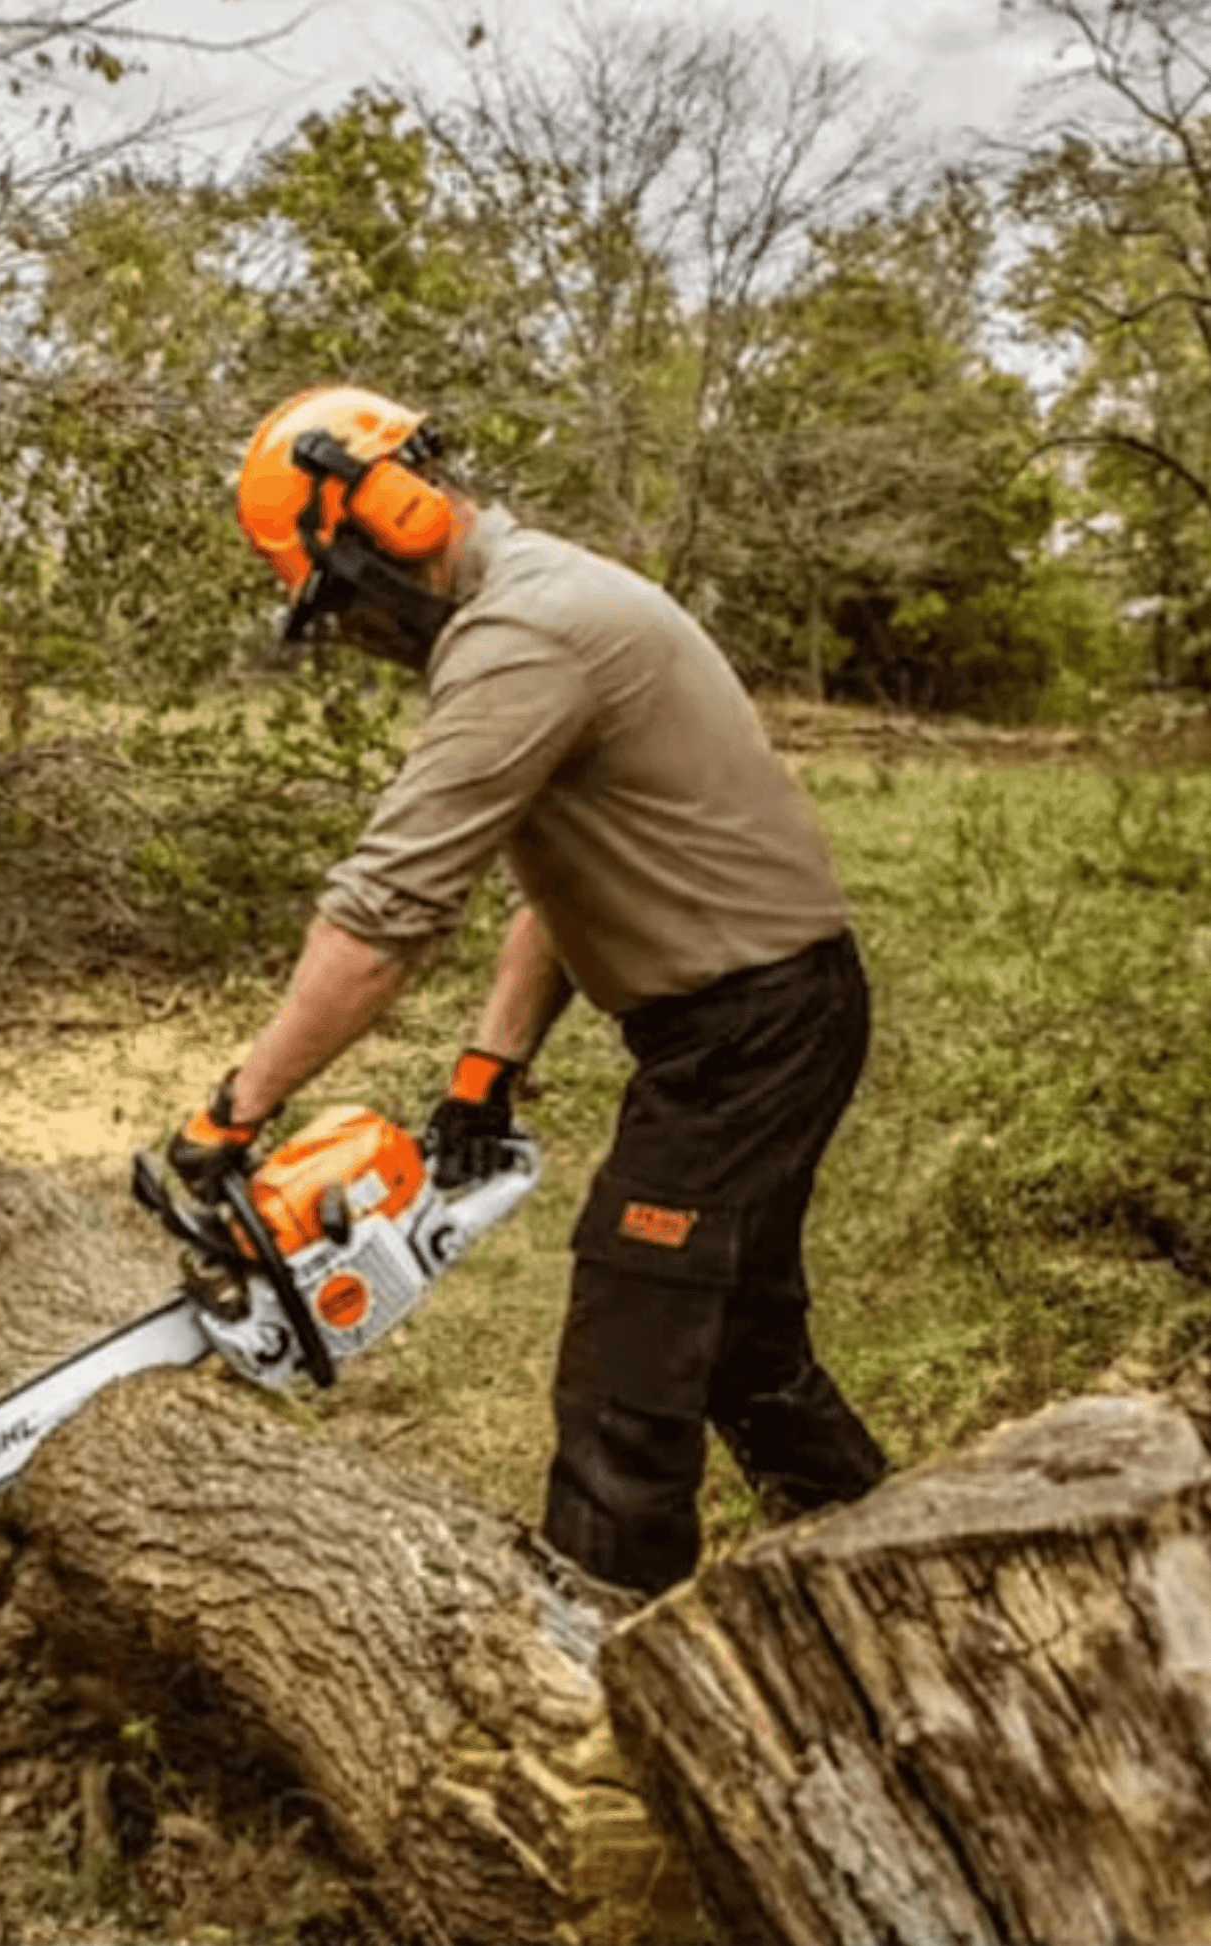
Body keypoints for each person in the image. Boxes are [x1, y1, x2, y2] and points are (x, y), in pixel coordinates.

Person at [166, 383, 888, 1599]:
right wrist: (483, 1071)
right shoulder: (531, 603)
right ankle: (896, 1564)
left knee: (628, 1353)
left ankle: (600, 1665)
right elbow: (557, 876)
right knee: (740, 1342)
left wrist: (233, 1110)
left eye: (337, 597)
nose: (348, 628)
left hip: (749, 1031)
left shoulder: (523, 634)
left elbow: (382, 916)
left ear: (384, 515)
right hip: (762, 1015)